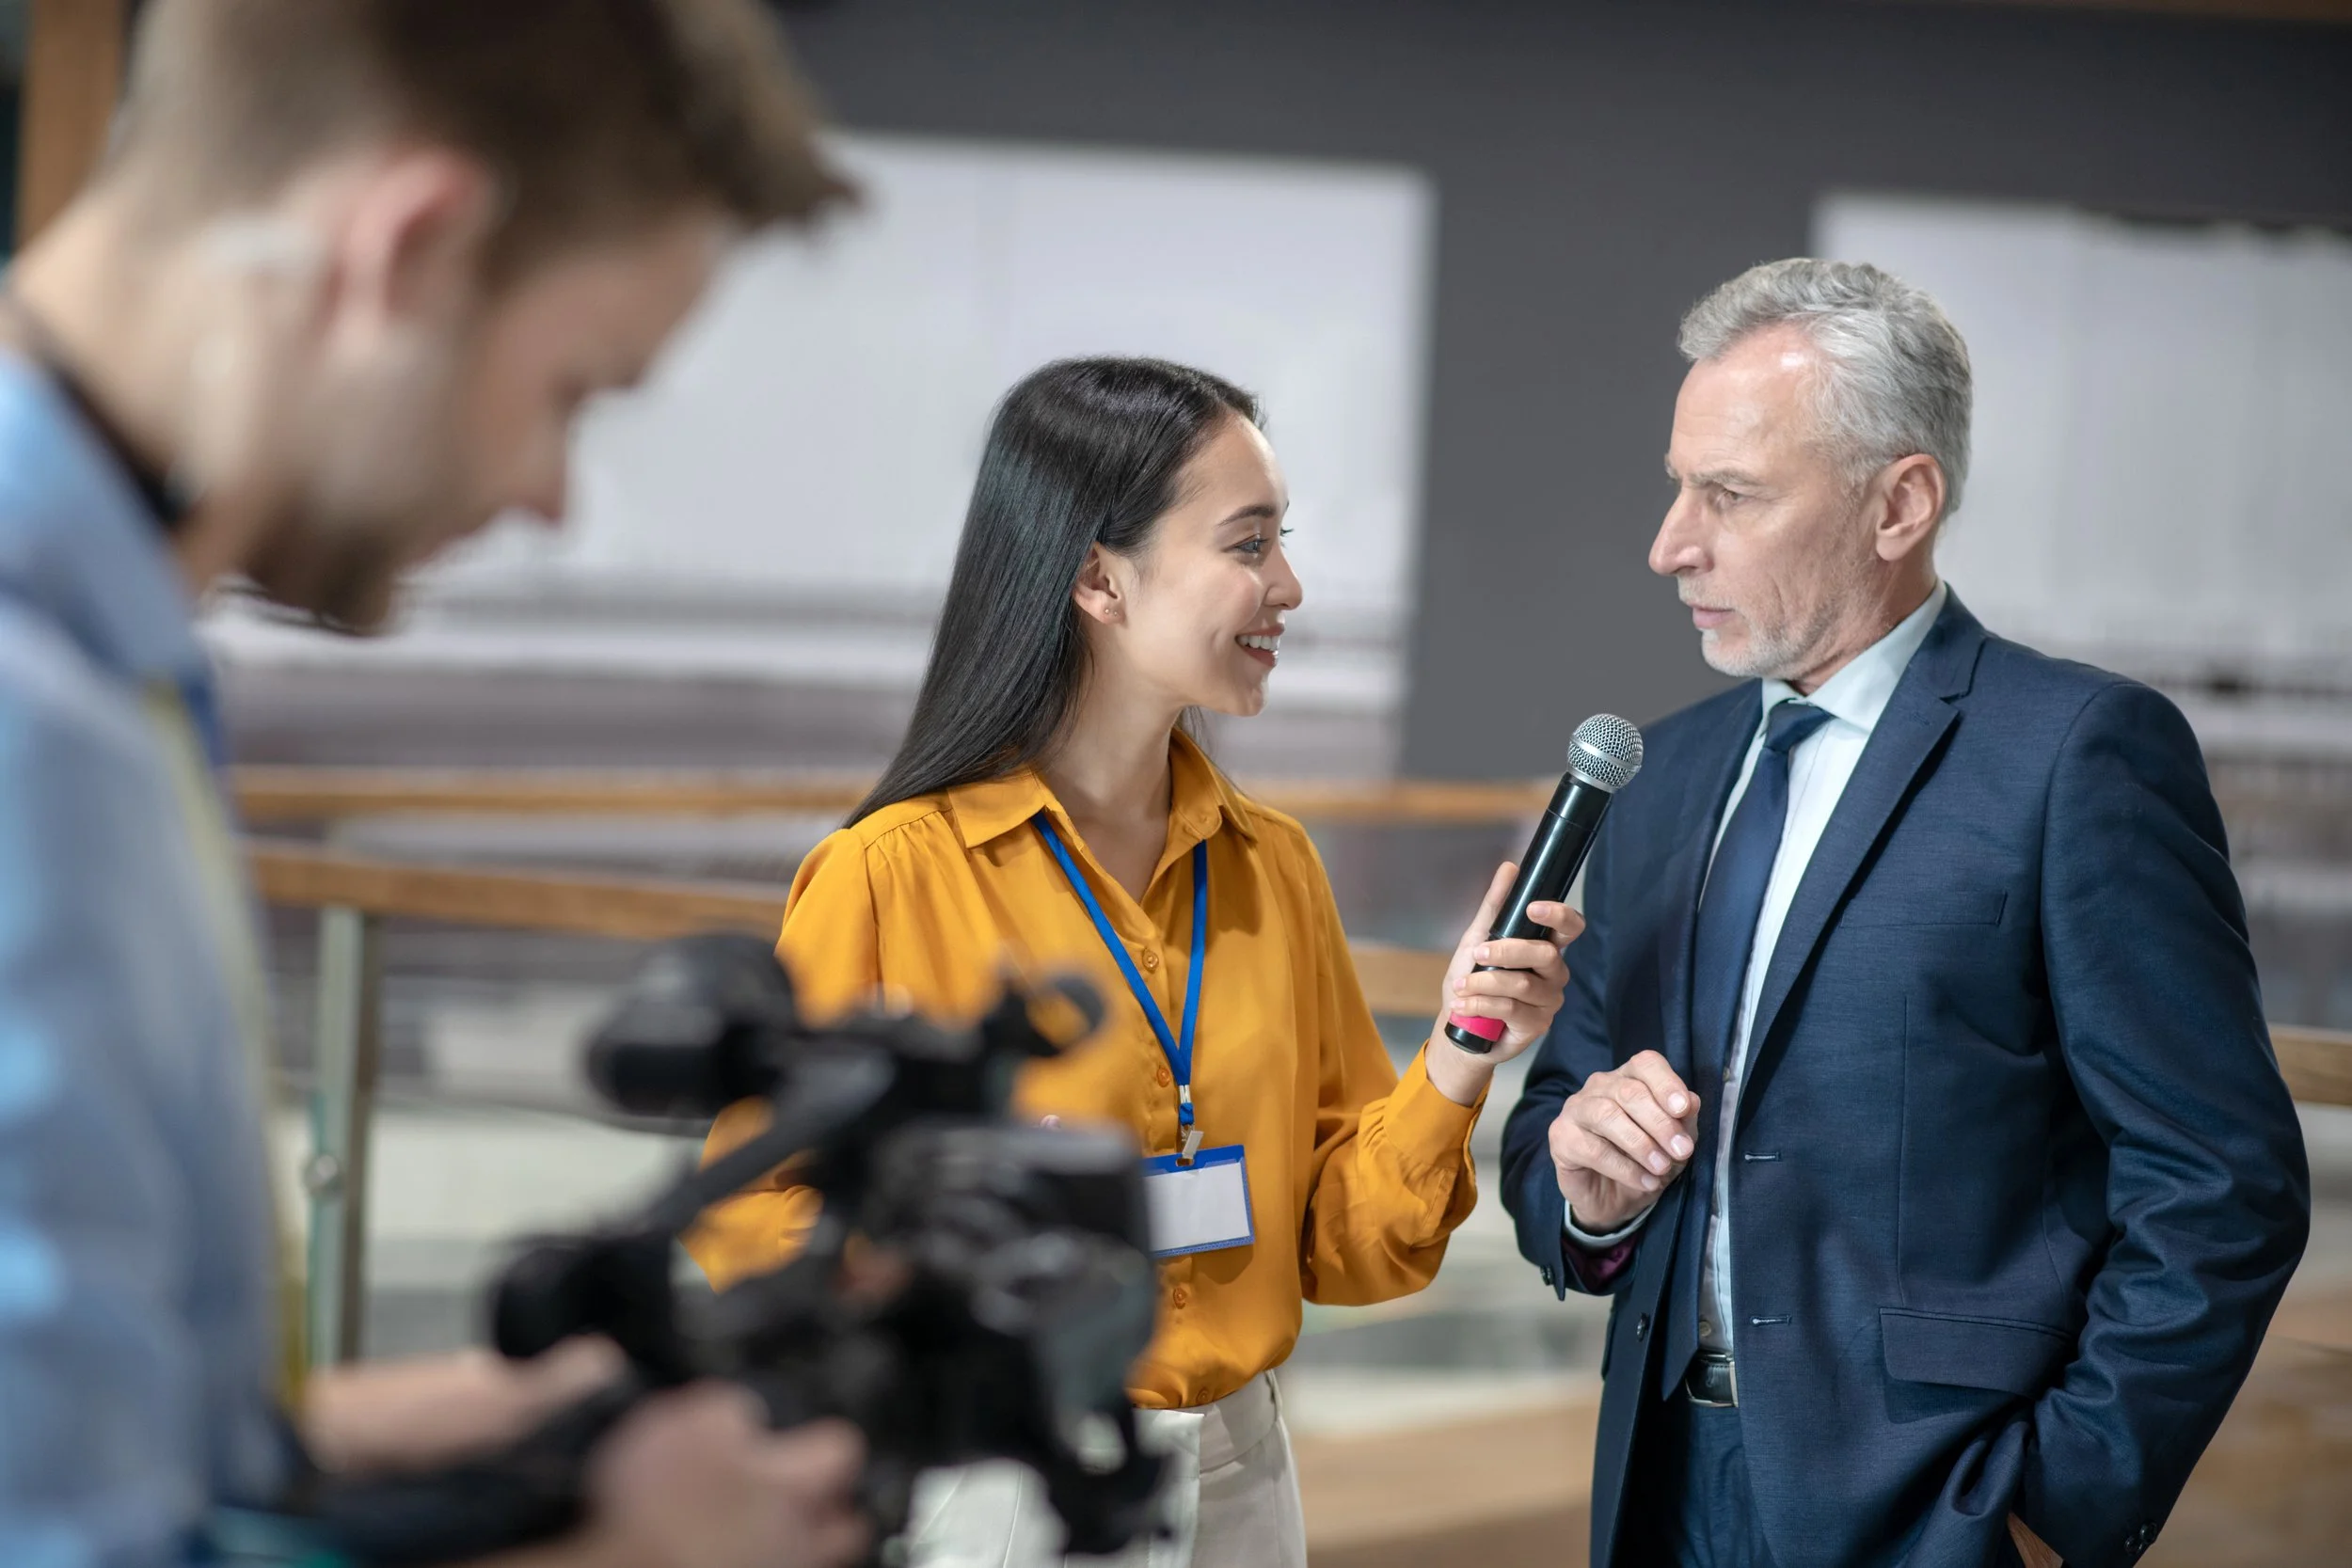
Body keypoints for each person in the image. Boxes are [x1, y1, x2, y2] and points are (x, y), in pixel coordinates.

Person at [0, 3, 875, 1564]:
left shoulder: (117, 670)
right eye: (575, 390)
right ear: (408, 253)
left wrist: (488, 1412)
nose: (549, 496)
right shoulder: (32, 732)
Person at [687, 356, 1586, 1568]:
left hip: (1244, 1471)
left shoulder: (1274, 867)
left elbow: (1343, 1244)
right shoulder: (888, 874)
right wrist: (953, 1284)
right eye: (1247, 544)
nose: (1290, 587)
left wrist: (1467, 1051)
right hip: (995, 1478)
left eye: (1283, 542)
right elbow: (752, 1216)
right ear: (1099, 579)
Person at [1498, 258, 2311, 1568]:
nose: (1669, 542)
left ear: (1901, 503)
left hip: (1945, 1508)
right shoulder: (1665, 776)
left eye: (1729, 494)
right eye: (1677, 484)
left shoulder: (2078, 756)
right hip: (1658, 1492)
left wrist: (2062, 1500)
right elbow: (1549, 1130)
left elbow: (2223, 1183)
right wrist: (1586, 1191)